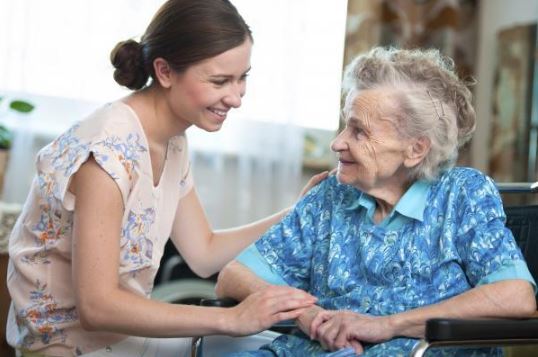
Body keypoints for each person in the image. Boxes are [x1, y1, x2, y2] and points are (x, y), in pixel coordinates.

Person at [6, 1, 322, 356]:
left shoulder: (172, 140)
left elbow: (203, 252)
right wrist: (232, 319)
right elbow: (97, 308)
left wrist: (298, 210)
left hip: (117, 337)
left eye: (242, 77)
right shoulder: (107, 154)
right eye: (219, 81)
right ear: (165, 71)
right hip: (66, 344)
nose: (235, 98)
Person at [215, 47, 537, 356]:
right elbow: (233, 277)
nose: (337, 142)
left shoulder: (463, 195)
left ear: (415, 150)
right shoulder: (331, 194)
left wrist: (387, 326)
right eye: (345, 124)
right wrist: (306, 314)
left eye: (359, 132)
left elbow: (515, 295)